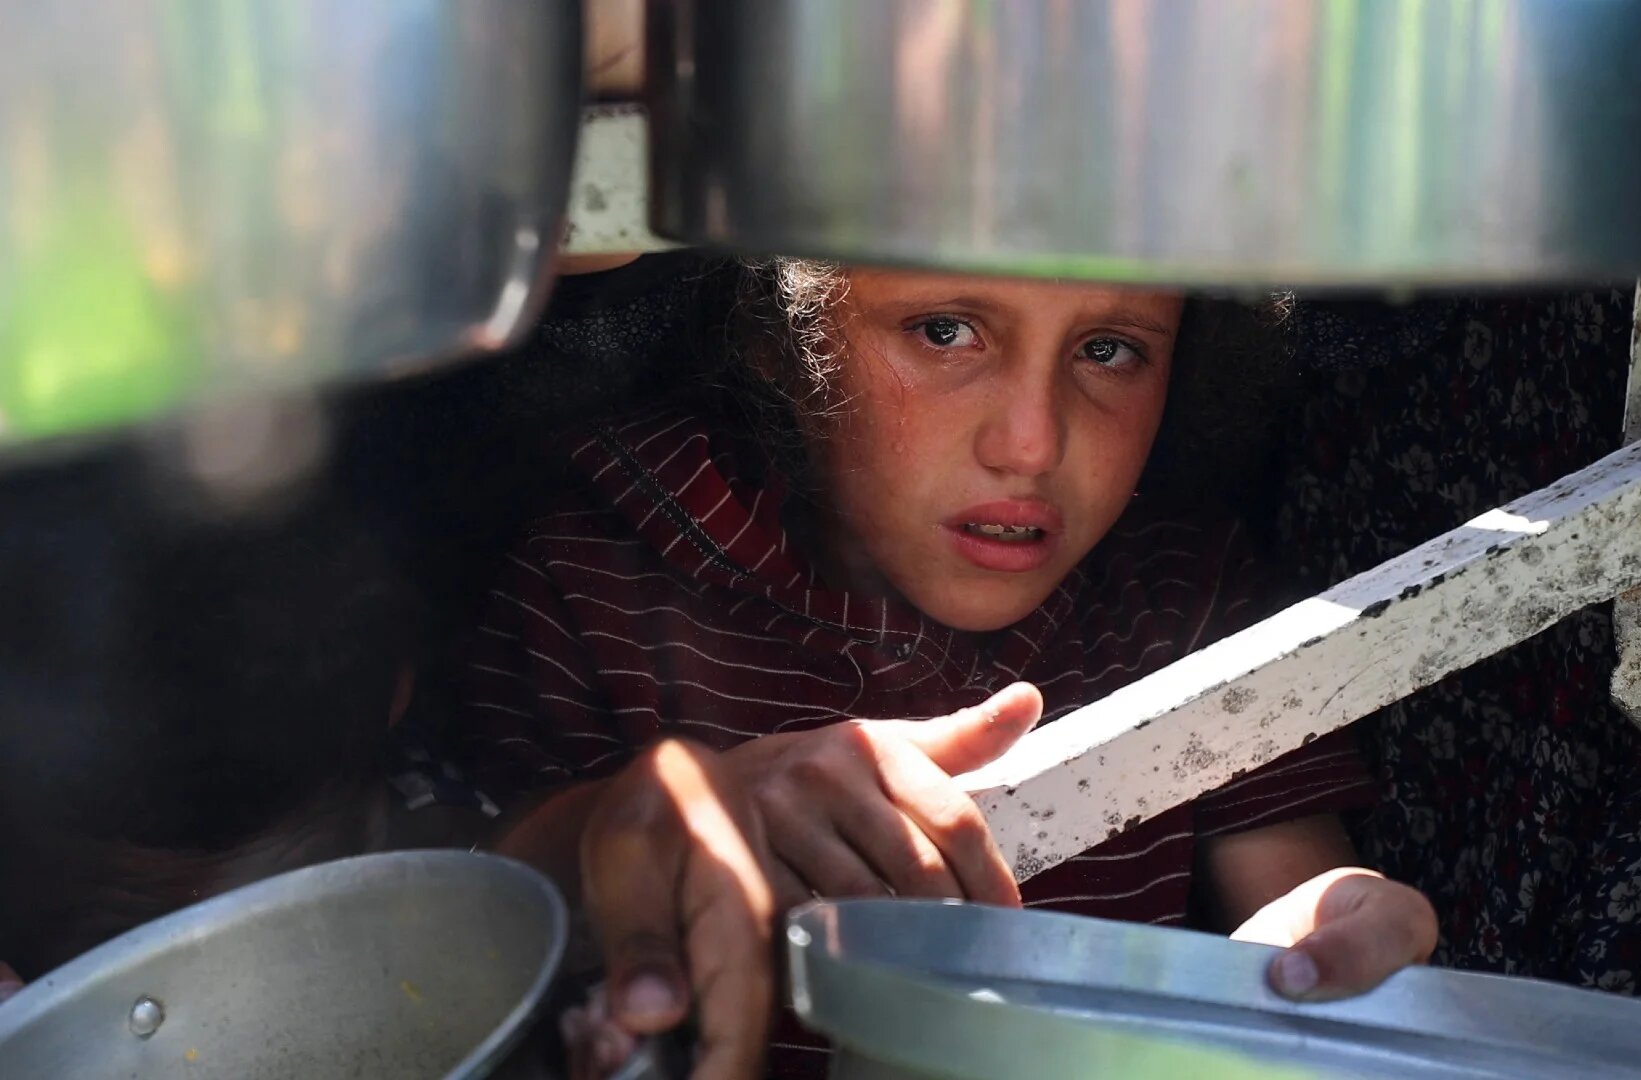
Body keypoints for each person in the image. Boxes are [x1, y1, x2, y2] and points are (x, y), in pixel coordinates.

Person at [449, 258, 1436, 1078]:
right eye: (944, 331)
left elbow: (1290, 897)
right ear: (776, 332)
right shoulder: (594, 576)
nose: (1031, 443)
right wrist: (653, 823)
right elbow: (449, 919)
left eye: (1108, 350)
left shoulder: (1186, 594)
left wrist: (1326, 939)